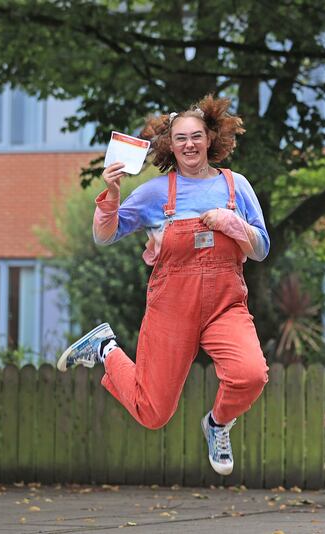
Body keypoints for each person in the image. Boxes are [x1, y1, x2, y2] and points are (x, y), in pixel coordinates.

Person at [56, 94, 270, 475]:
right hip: (172, 308)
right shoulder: (156, 193)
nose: (190, 144)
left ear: (210, 139)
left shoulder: (237, 187)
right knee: (153, 412)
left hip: (225, 305)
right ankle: (105, 348)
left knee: (250, 374)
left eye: (197, 136)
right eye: (181, 138)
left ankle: (218, 424)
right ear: (170, 146)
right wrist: (112, 196)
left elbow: (261, 249)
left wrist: (233, 224)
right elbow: (105, 236)